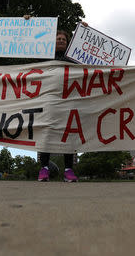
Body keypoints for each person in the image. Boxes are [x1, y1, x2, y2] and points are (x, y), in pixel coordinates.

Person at [37, 29, 78, 182]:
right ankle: (44, 168)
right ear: (52, 43)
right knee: (47, 133)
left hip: (69, 101)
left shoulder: (73, 61)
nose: (61, 41)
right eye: (58, 39)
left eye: (64, 40)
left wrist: (84, 30)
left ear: (67, 44)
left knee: (68, 134)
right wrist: (28, 24)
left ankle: (68, 170)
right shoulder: (44, 59)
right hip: (49, 101)